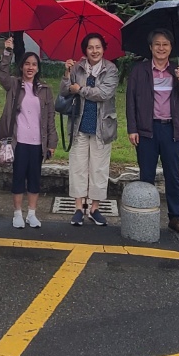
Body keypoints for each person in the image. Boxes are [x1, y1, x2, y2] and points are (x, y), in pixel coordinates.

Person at [124, 28, 179, 234]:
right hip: (147, 130)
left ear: (171, 48)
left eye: (165, 44)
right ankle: (145, 216)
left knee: (173, 175)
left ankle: (175, 217)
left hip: (171, 129)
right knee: (146, 175)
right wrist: (132, 128)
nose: (161, 48)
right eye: (157, 44)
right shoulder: (140, 71)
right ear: (150, 47)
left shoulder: (176, 71)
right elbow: (130, 102)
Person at [59, 32, 119, 227]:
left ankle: (94, 208)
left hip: (102, 127)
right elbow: (64, 91)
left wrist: (80, 89)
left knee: (99, 169)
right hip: (79, 125)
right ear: (85, 50)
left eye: (98, 47)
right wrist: (67, 74)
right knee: (78, 167)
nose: (94, 51)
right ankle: (78, 208)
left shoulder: (111, 69)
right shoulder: (77, 67)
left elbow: (103, 93)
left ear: (103, 49)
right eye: (90, 47)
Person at [0, 38, 56, 228]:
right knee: (18, 177)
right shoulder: (14, 85)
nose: (30, 67)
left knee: (34, 178)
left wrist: (52, 142)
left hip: (38, 142)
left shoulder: (45, 90)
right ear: (21, 66)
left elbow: (50, 117)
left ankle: (32, 213)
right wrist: (7, 52)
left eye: (34, 64)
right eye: (27, 64)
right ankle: (17, 214)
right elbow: (2, 75)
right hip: (19, 140)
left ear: (38, 68)